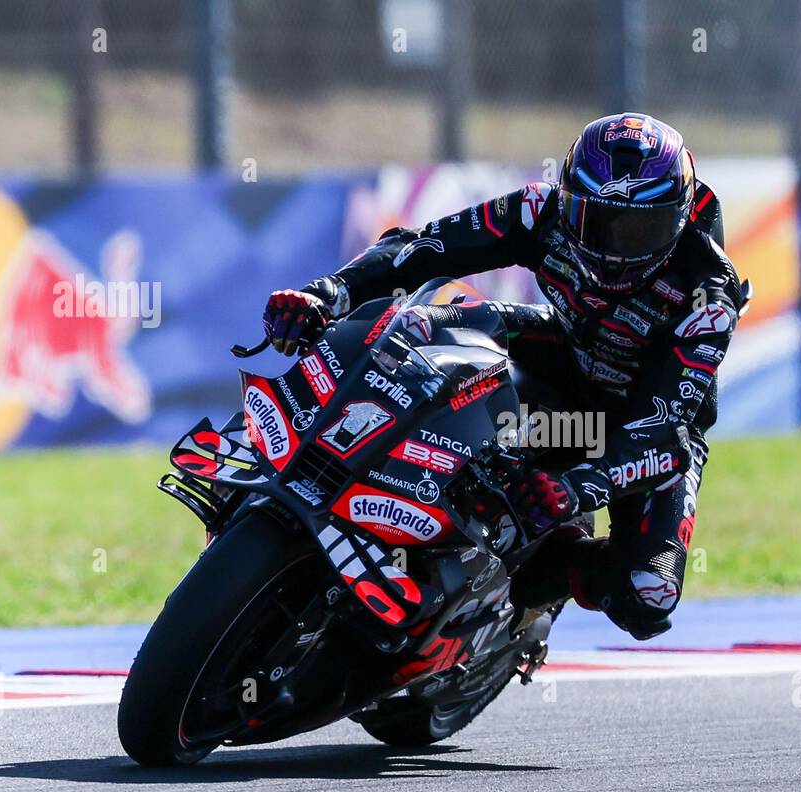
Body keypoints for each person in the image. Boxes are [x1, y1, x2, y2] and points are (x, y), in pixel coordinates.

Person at [262, 113, 746, 639]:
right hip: (561, 347)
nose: (614, 249)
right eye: (595, 220)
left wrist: (574, 487)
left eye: (637, 230)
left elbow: (663, 434)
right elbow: (421, 250)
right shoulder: (539, 211)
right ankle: (325, 451)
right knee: (418, 322)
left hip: (639, 424)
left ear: (676, 222)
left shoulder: (708, 293)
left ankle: (517, 605)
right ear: (567, 200)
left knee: (647, 596)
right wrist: (327, 292)